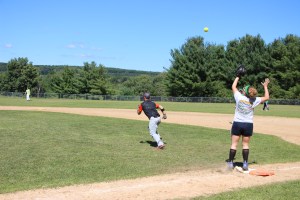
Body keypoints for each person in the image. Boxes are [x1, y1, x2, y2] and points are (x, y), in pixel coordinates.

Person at [227, 77, 270, 171]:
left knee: (234, 144)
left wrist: (238, 76)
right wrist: (265, 86)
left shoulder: (239, 97)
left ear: (245, 92)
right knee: (245, 145)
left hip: (237, 123)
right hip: (248, 124)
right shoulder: (255, 100)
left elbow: (233, 86)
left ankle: (230, 163)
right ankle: (245, 163)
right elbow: (267, 97)